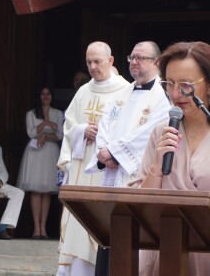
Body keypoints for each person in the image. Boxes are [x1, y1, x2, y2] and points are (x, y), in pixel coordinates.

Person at [131, 42, 210, 276]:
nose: (175, 94)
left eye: (186, 85)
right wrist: (157, 167)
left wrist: (191, 226)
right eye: (169, 84)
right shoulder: (160, 132)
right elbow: (141, 204)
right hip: (164, 252)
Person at [85, 41, 171, 275]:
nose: (134, 62)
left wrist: (115, 153)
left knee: (132, 239)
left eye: (140, 58)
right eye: (131, 57)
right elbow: (104, 125)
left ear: (156, 62)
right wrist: (104, 153)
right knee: (109, 235)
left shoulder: (163, 98)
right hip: (111, 177)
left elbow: (150, 133)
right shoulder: (120, 93)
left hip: (136, 177)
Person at [57, 41, 129, 276]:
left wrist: (110, 137)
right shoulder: (83, 91)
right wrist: (81, 131)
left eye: (97, 61)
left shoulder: (126, 90)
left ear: (111, 61)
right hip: (82, 166)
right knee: (81, 224)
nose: (92, 66)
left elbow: (133, 128)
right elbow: (69, 125)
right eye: (89, 62)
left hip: (108, 168)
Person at [17, 86, 64, 239]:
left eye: (48, 93)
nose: (45, 96)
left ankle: (43, 228)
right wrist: (44, 125)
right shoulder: (31, 113)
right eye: (42, 94)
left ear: (52, 96)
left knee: (47, 191)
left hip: (50, 151)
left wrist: (45, 137)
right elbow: (31, 133)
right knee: (36, 190)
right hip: (35, 151)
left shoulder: (58, 113)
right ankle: (36, 228)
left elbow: (60, 134)